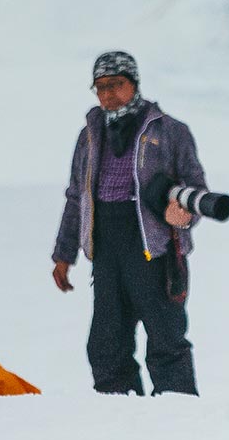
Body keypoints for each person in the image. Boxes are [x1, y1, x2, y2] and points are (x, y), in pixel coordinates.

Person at [51, 51, 207, 395]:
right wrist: (64, 255)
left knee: (166, 338)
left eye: (116, 84)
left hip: (155, 248)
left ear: (133, 84)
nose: (108, 94)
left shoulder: (169, 132)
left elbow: (196, 187)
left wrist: (183, 214)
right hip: (107, 248)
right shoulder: (89, 136)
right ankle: (120, 413)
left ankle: (179, 415)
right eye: (100, 87)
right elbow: (77, 196)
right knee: (106, 344)